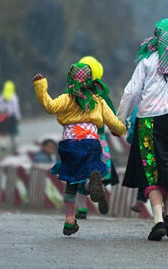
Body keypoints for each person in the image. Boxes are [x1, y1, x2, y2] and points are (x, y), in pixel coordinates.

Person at [117, 18, 168, 241]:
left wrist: (120, 120)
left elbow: (131, 92)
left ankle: (158, 221)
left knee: (151, 170)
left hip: (147, 121)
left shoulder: (147, 61)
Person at [33, 63, 126, 236]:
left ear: (70, 79)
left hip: (69, 144)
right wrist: (122, 129)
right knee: (92, 168)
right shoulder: (98, 100)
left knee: (71, 182)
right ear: (90, 79)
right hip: (91, 141)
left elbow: (49, 106)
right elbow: (113, 123)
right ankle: (92, 182)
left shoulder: (66, 98)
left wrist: (41, 86)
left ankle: (69, 221)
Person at [73, 56, 120, 219]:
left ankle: (82, 209)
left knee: (78, 174)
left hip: (77, 139)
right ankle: (101, 193)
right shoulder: (102, 96)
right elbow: (113, 117)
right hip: (98, 139)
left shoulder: (75, 94)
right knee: (102, 172)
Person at [0, 80, 21, 152]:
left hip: (3, 116)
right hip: (11, 116)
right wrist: (18, 116)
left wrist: (2, 111)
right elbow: (16, 108)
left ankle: (3, 144)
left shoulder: (1, 96)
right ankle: (14, 144)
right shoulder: (14, 97)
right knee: (13, 131)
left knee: (3, 131)